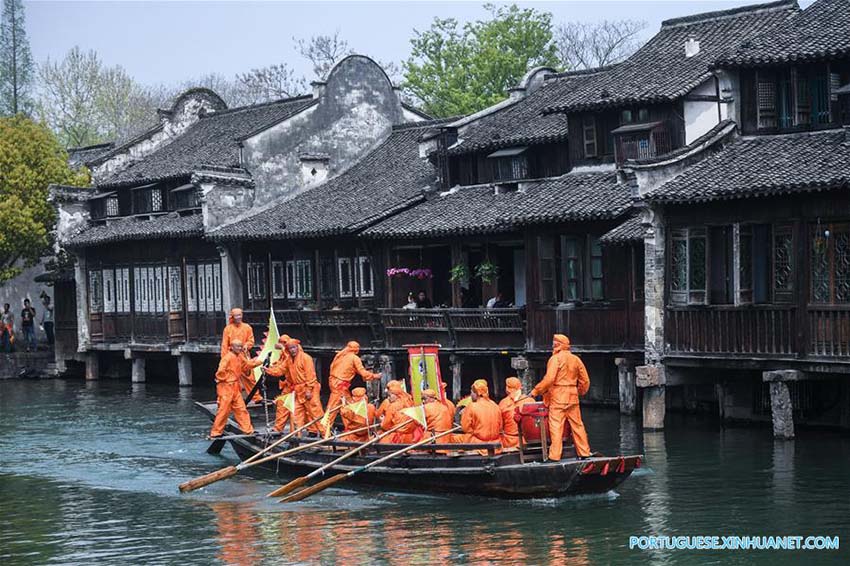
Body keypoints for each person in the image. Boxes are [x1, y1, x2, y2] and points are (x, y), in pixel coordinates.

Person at [531, 334, 591, 460]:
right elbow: (585, 380)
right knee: (577, 425)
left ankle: (554, 456)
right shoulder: (576, 359)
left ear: (557, 344)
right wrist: (579, 391)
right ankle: (584, 452)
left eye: (554, 343)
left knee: (556, 426)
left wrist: (536, 391)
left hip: (558, 396)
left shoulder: (555, 359)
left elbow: (549, 379)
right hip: (573, 396)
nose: (552, 345)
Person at [210, 339, 262, 438]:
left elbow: (247, 365)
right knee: (224, 410)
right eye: (238, 346)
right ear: (232, 347)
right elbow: (220, 371)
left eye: (240, 346)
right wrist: (225, 379)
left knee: (241, 409)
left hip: (235, 386)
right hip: (226, 386)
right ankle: (216, 432)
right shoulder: (227, 357)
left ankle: (248, 430)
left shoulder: (240, 357)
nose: (240, 348)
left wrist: (260, 361)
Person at [325, 341, 382, 430]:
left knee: (348, 406)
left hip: (336, 383)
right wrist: (375, 376)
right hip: (340, 385)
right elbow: (362, 372)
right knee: (333, 407)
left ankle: (349, 428)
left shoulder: (340, 356)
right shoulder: (354, 358)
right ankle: (325, 430)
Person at [449, 380, 502, 454]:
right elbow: (500, 427)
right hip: (496, 442)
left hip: (478, 442)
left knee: (451, 438)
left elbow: (465, 428)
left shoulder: (472, 406)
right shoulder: (496, 406)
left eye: (471, 392)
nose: (470, 395)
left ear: (476, 393)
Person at [284, 339, 324, 434]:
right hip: (298, 390)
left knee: (315, 413)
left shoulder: (306, 358)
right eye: (290, 348)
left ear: (297, 347)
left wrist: (309, 390)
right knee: (296, 414)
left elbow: (311, 375)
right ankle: (296, 437)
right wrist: (268, 370)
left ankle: (325, 434)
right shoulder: (289, 360)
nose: (292, 350)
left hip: (309, 388)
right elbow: (281, 369)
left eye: (294, 347)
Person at [220, 308, 259, 403]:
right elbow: (224, 345)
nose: (238, 317)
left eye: (239, 315)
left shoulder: (247, 327)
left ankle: (256, 397)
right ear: (232, 317)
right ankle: (234, 398)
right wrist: (224, 359)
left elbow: (251, 340)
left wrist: (246, 345)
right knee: (233, 377)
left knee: (250, 377)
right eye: (236, 315)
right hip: (232, 356)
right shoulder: (228, 329)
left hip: (244, 355)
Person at [266, 335, 293, 432]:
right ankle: (278, 428)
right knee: (282, 406)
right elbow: (281, 368)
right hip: (288, 386)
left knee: (307, 410)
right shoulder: (284, 355)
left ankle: (314, 430)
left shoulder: (295, 355)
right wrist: (269, 369)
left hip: (299, 387)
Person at [499, 377, 532, 449]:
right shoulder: (530, 400)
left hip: (509, 442)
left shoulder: (503, 403)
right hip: (527, 441)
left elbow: (500, 426)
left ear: (507, 388)